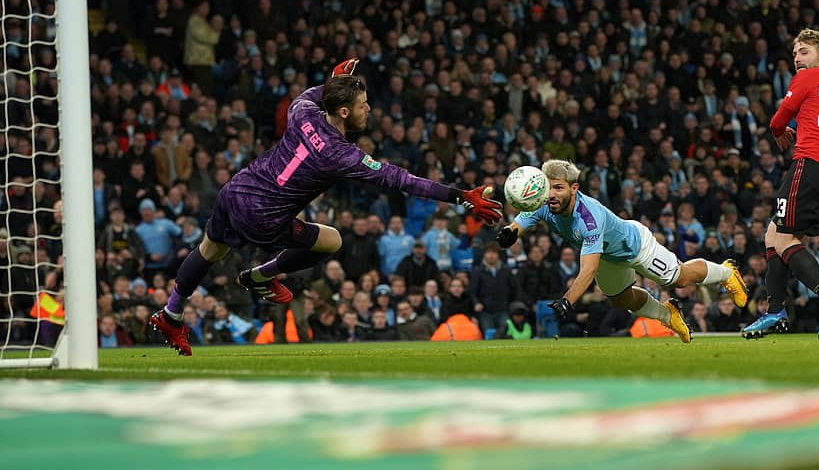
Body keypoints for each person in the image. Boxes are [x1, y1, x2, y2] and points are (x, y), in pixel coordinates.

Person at [149, 59, 503, 355]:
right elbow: (402, 180)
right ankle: (261, 275)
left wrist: (336, 80)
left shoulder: (301, 109)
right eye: (363, 105)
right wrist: (461, 195)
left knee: (209, 250)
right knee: (332, 241)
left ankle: (171, 313)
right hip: (264, 218)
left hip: (236, 191)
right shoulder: (342, 155)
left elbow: (317, 94)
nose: (369, 109)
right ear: (344, 112)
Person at [496, 160, 750, 344]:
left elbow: (588, 269)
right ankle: (667, 314)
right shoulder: (543, 203)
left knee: (680, 279)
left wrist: (568, 300)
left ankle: (726, 272)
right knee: (620, 300)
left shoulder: (589, 218)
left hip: (635, 246)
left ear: (574, 189)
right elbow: (520, 222)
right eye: (548, 188)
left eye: (559, 188)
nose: (552, 194)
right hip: (608, 256)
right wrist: (510, 232)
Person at [743, 29, 819, 340]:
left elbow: (777, 120)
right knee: (775, 234)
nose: (797, 59)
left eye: (804, 52)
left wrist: (778, 132)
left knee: (783, 239)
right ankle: (775, 311)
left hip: (810, 164)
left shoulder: (808, 78)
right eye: (795, 53)